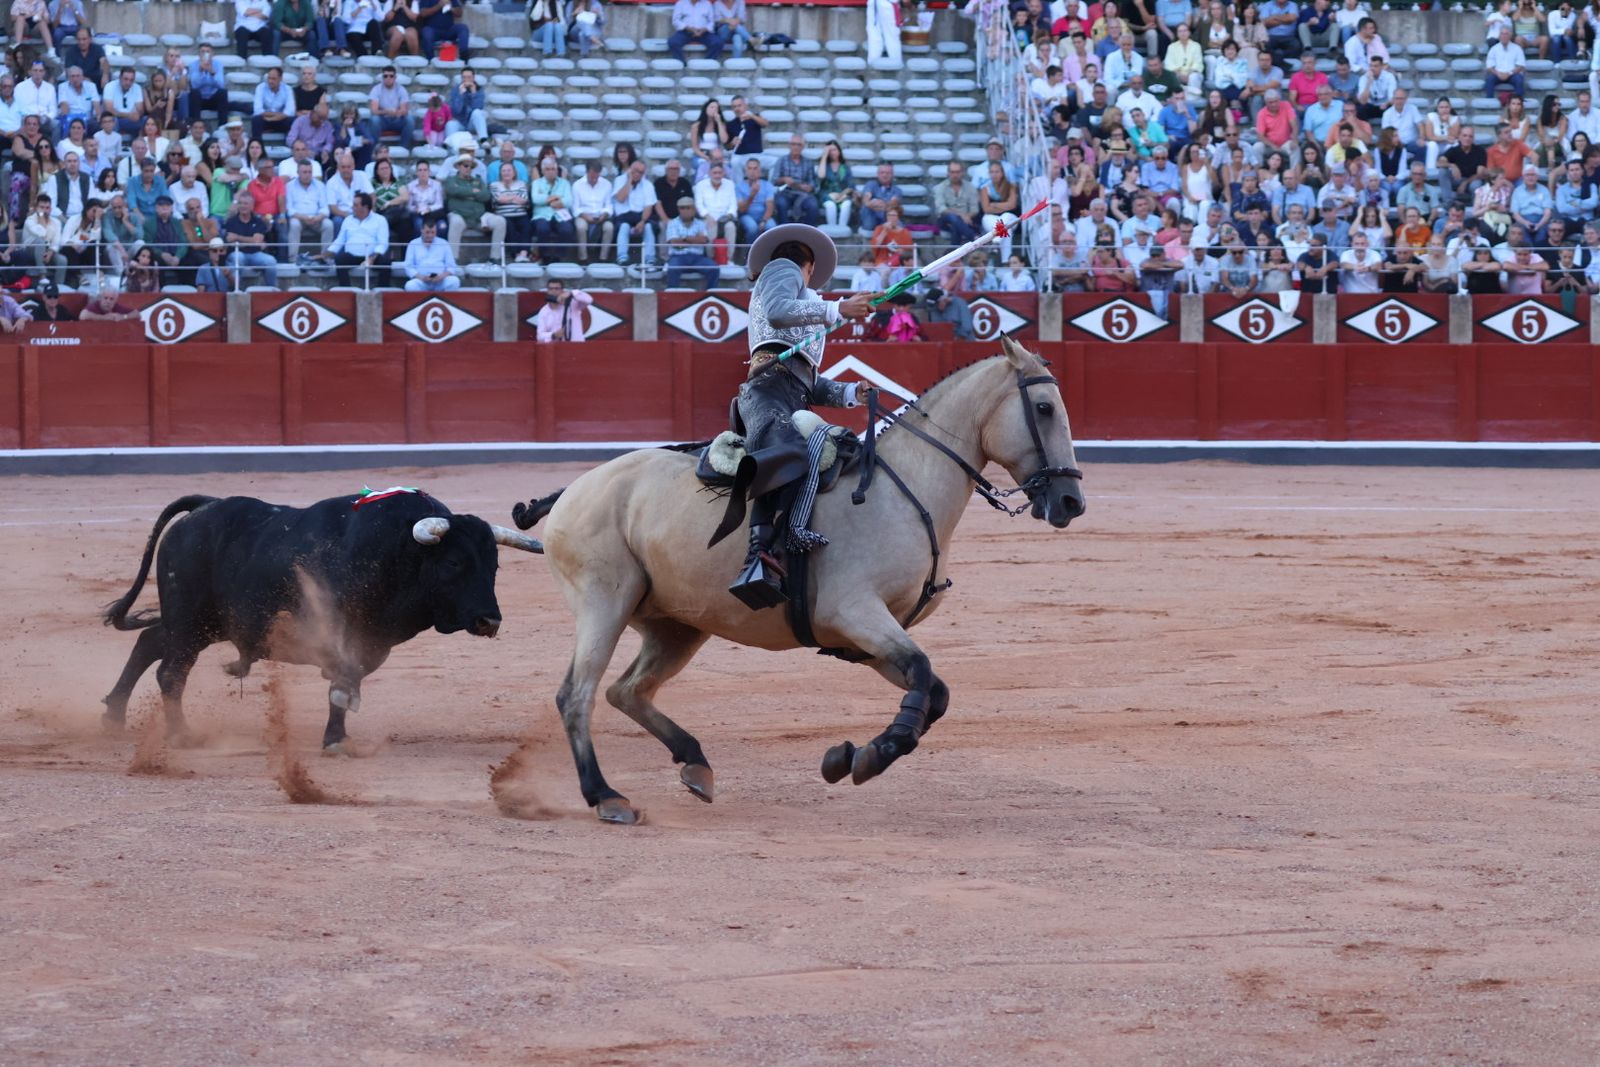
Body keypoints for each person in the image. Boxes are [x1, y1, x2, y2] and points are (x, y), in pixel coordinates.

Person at [723, 223, 876, 608]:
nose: (809, 279)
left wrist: (848, 393)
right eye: (811, 272)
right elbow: (776, 313)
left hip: (788, 392)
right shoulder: (783, 268)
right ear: (806, 264)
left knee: (831, 451)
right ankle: (759, 554)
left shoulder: (806, 299)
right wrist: (839, 308)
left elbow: (807, 381)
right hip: (767, 391)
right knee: (787, 450)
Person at [444, 153, 503, 263]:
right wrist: (473, 192)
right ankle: (453, 260)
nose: (468, 169)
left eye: (471, 167)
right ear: (459, 166)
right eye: (466, 166)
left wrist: (464, 193)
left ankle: (495, 258)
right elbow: (452, 190)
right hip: (460, 215)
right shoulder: (451, 180)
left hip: (478, 217)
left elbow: (486, 196)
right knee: (455, 221)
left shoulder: (478, 180)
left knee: (500, 221)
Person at [322, 189, 389, 286]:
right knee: (340, 258)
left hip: (372, 256)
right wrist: (326, 254)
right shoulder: (348, 219)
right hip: (352, 256)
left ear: (365, 207)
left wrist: (371, 258)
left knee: (385, 260)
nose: (352, 207)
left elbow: (383, 243)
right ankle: (345, 289)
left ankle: (382, 290)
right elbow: (340, 240)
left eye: (355, 205)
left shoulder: (380, 220)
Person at [224, 191, 278, 286]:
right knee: (238, 257)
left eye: (246, 203)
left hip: (255, 254)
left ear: (252, 206)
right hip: (237, 253)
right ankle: (235, 290)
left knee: (271, 261)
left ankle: (271, 290)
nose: (242, 206)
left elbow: (257, 240)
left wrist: (237, 238)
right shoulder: (231, 222)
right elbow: (229, 241)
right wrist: (251, 241)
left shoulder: (258, 221)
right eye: (240, 203)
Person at [663, 195, 719, 288]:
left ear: (693, 209)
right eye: (682, 208)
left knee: (714, 268)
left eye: (688, 208)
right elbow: (674, 243)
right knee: (672, 268)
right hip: (678, 257)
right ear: (678, 209)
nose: (685, 210)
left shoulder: (701, 224)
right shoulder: (672, 223)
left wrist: (683, 239)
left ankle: (710, 296)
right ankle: (673, 297)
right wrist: (693, 239)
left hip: (697, 258)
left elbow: (703, 240)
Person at [610, 158, 656, 267]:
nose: (637, 174)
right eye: (635, 170)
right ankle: (622, 257)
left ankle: (650, 259)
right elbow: (621, 198)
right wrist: (629, 181)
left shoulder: (648, 185)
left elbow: (648, 207)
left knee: (648, 227)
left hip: (640, 216)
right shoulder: (619, 180)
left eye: (641, 172)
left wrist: (642, 221)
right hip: (623, 217)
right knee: (624, 226)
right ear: (630, 169)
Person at [530, 155, 575, 261]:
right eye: (547, 169)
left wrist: (551, 202)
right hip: (541, 215)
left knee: (567, 229)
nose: (551, 171)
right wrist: (554, 198)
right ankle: (544, 256)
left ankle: (559, 256)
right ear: (543, 171)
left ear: (556, 170)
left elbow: (569, 201)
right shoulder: (537, 183)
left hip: (560, 215)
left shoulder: (565, 183)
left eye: (553, 169)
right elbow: (536, 199)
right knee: (543, 229)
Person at [571, 160, 613, 263]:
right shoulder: (577, 185)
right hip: (583, 215)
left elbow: (609, 205)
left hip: (601, 216)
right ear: (587, 172)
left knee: (609, 227)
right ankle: (583, 258)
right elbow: (575, 208)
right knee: (581, 227)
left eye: (596, 177)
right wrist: (585, 216)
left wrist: (604, 214)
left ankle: (603, 258)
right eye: (592, 177)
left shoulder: (606, 184)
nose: (594, 179)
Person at [772, 135, 820, 226]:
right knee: (781, 203)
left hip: (802, 193)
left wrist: (810, 187)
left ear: (803, 147)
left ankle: (807, 232)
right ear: (789, 146)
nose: (796, 147)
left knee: (813, 205)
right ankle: (784, 232)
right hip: (785, 192)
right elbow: (774, 180)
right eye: (793, 144)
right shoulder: (781, 160)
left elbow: (812, 182)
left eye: (799, 145)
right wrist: (784, 179)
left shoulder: (808, 162)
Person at [401, 217, 458, 290]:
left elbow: (451, 266)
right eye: (427, 232)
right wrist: (421, 277)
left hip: (440, 282)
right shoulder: (413, 244)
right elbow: (408, 266)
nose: (430, 235)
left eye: (433, 232)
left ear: (436, 231)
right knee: (410, 286)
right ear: (421, 230)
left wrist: (442, 276)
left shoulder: (444, 243)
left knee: (454, 281)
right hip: (422, 281)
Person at [533, 277, 594, 342]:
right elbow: (539, 336)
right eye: (550, 289)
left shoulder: (574, 304)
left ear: (562, 290)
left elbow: (589, 300)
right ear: (547, 291)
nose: (553, 291)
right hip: (557, 347)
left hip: (576, 345)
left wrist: (572, 293)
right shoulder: (544, 311)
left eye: (557, 289)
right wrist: (553, 335)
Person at [367, 66, 413, 149]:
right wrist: (387, 112)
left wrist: (396, 112)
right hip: (383, 119)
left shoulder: (401, 89)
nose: (388, 78)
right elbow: (374, 110)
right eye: (385, 76)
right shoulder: (376, 89)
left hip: (397, 119)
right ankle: (376, 149)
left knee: (410, 120)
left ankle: (403, 148)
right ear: (382, 77)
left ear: (395, 78)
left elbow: (404, 110)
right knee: (374, 120)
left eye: (391, 76)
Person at [1485, 26, 1527, 99]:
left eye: (1506, 34)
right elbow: (1489, 66)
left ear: (1510, 36)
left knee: (1519, 79)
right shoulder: (1494, 49)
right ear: (1499, 36)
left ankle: (1519, 101)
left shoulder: (1517, 48)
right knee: (1489, 79)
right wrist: (1498, 73)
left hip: (1512, 74)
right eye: (1502, 34)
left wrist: (1509, 73)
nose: (1504, 36)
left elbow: (1520, 66)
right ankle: (1489, 102)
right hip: (1497, 74)